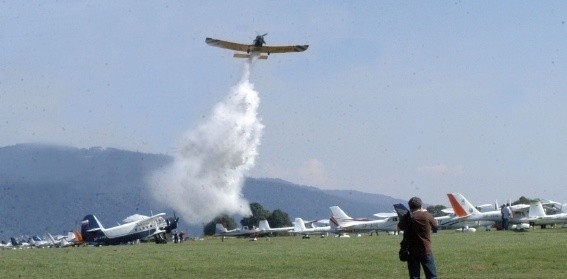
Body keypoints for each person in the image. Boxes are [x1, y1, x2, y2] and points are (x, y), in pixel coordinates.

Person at [398, 196, 438, 279]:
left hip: (411, 251)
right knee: (432, 276)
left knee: (414, 276)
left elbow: (400, 227)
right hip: (425, 249)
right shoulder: (427, 215)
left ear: (409, 206)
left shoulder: (407, 217)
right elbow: (435, 226)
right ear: (420, 205)